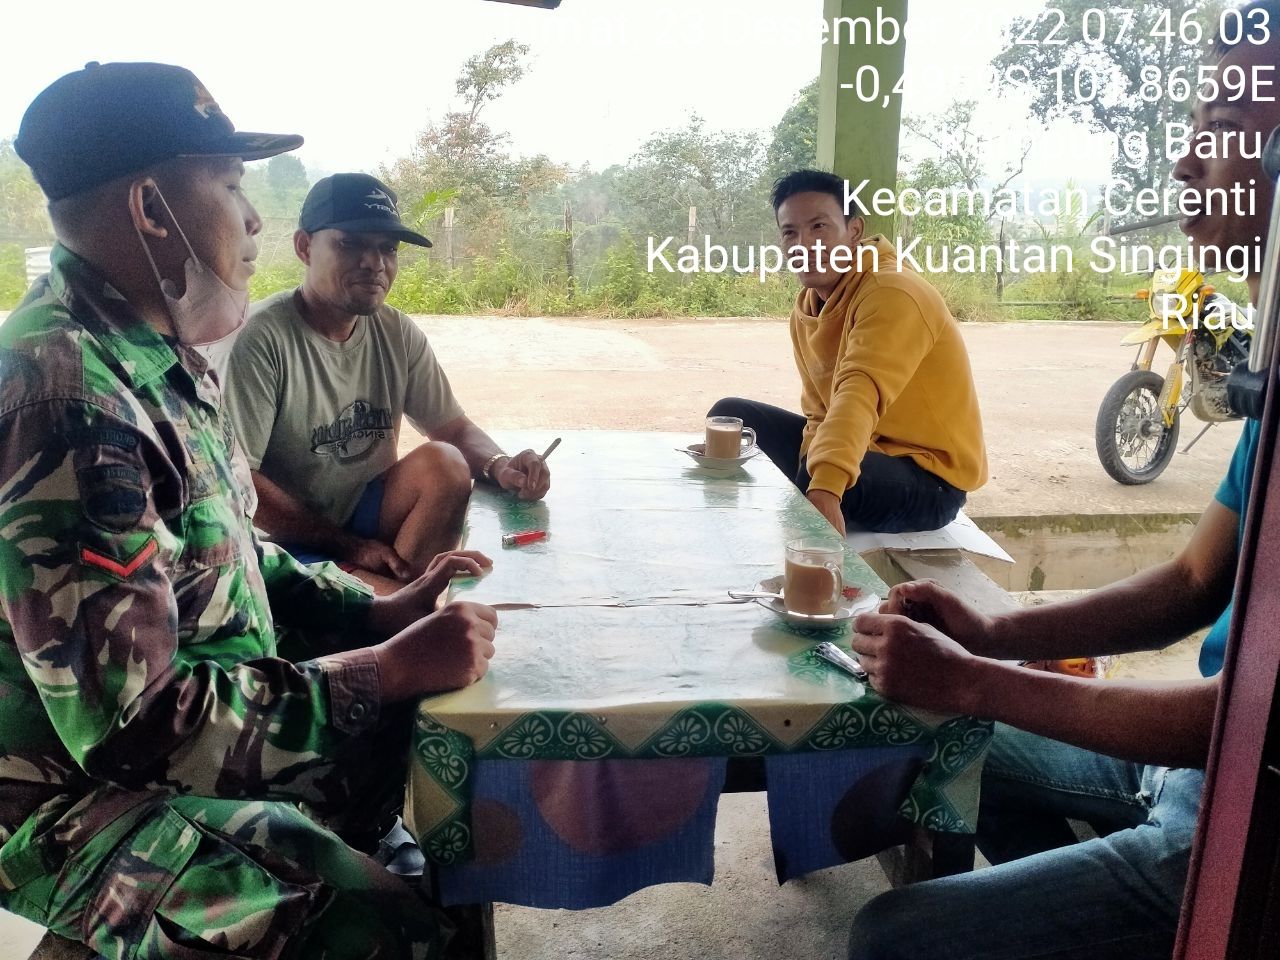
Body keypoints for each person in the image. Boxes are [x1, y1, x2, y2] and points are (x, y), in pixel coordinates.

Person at [0, 61, 499, 959]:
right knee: (393, 935)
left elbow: (225, 548)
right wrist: (378, 670)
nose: (257, 218)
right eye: (230, 183)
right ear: (153, 209)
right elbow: (137, 727)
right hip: (73, 799)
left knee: (430, 770)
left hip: (203, 718)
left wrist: (376, 613)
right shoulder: (70, 399)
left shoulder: (151, 350)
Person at [847, 6, 1280, 958]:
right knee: (935, 744)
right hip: (1184, 776)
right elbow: (1190, 586)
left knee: (892, 940)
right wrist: (996, 637)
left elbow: (1242, 722)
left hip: (1236, 824)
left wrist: (978, 682)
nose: (1184, 167)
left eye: (1216, 134)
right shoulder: (1271, 398)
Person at [225, 172, 551, 594]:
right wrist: (350, 546)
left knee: (445, 463)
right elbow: (239, 479)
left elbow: (453, 429)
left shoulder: (395, 331)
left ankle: (397, 595)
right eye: (352, 243)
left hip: (364, 516)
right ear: (304, 247)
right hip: (287, 543)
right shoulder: (262, 338)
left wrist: (500, 466)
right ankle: (387, 608)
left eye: (387, 248)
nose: (374, 262)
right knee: (413, 624)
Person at [708, 170, 987, 534]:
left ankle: (805, 498)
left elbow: (858, 393)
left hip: (929, 480)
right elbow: (819, 412)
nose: (804, 244)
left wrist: (823, 485)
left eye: (819, 227)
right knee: (730, 419)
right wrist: (811, 467)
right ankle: (729, 522)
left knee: (817, 473)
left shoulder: (893, 293)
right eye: (790, 232)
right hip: (862, 449)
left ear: (854, 231)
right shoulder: (808, 306)